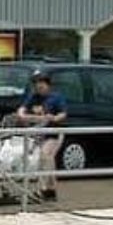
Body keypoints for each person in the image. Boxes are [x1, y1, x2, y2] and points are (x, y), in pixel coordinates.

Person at [16, 71, 68, 201]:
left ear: (48, 85)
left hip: (54, 132)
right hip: (39, 133)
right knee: (46, 160)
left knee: (46, 155)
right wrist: (22, 114)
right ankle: (51, 189)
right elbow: (22, 109)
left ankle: (44, 187)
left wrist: (55, 118)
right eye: (36, 86)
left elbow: (63, 114)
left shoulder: (56, 97)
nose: (39, 88)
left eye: (41, 85)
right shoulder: (33, 97)